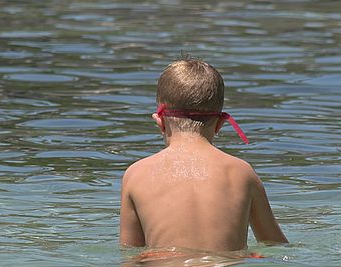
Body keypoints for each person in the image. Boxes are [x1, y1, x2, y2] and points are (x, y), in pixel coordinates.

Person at [119, 56, 288, 253]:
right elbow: (276, 246)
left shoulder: (136, 175)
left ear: (160, 123)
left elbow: (130, 253)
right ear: (220, 124)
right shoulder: (242, 173)